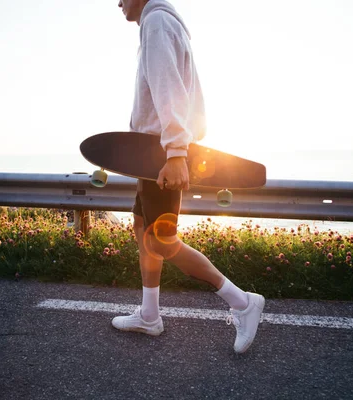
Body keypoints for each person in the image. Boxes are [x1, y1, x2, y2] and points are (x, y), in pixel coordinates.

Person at [113, 0, 265, 354]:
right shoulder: (160, 22)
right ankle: (149, 315)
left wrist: (176, 153)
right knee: (142, 227)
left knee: (163, 241)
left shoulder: (157, 23)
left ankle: (242, 302)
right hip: (150, 155)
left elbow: (170, 90)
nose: (117, 2)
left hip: (162, 154)